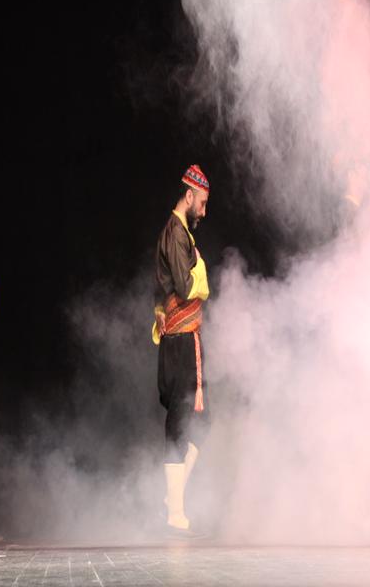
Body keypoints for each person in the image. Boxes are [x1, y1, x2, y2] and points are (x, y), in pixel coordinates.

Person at [152, 164, 211, 534]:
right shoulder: (175, 232)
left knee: (199, 423)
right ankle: (174, 510)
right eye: (201, 203)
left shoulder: (179, 233)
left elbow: (162, 290)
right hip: (180, 343)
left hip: (184, 340)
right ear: (189, 196)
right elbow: (187, 286)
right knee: (180, 422)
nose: (203, 211)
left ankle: (171, 498)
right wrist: (202, 273)